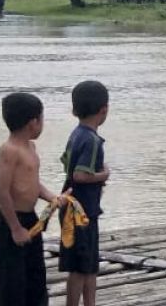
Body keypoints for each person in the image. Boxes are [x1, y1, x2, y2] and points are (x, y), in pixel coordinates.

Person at [0, 93, 65, 306]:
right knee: (11, 279)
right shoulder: (10, 150)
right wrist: (15, 228)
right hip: (10, 221)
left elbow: (32, 183)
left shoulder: (31, 148)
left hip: (30, 218)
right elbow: (2, 192)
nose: (42, 124)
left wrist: (52, 197)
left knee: (34, 275)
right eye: (42, 119)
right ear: (33, 122)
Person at [60, 81, 110, 306]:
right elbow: (80, 175)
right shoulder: (91, 140)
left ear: (74, 110)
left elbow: (66, 164)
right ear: (104, 110)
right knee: (80, 267)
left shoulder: (76, 134)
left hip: (79, 208)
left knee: (89, 264)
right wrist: (103, 176)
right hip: (81, 213)